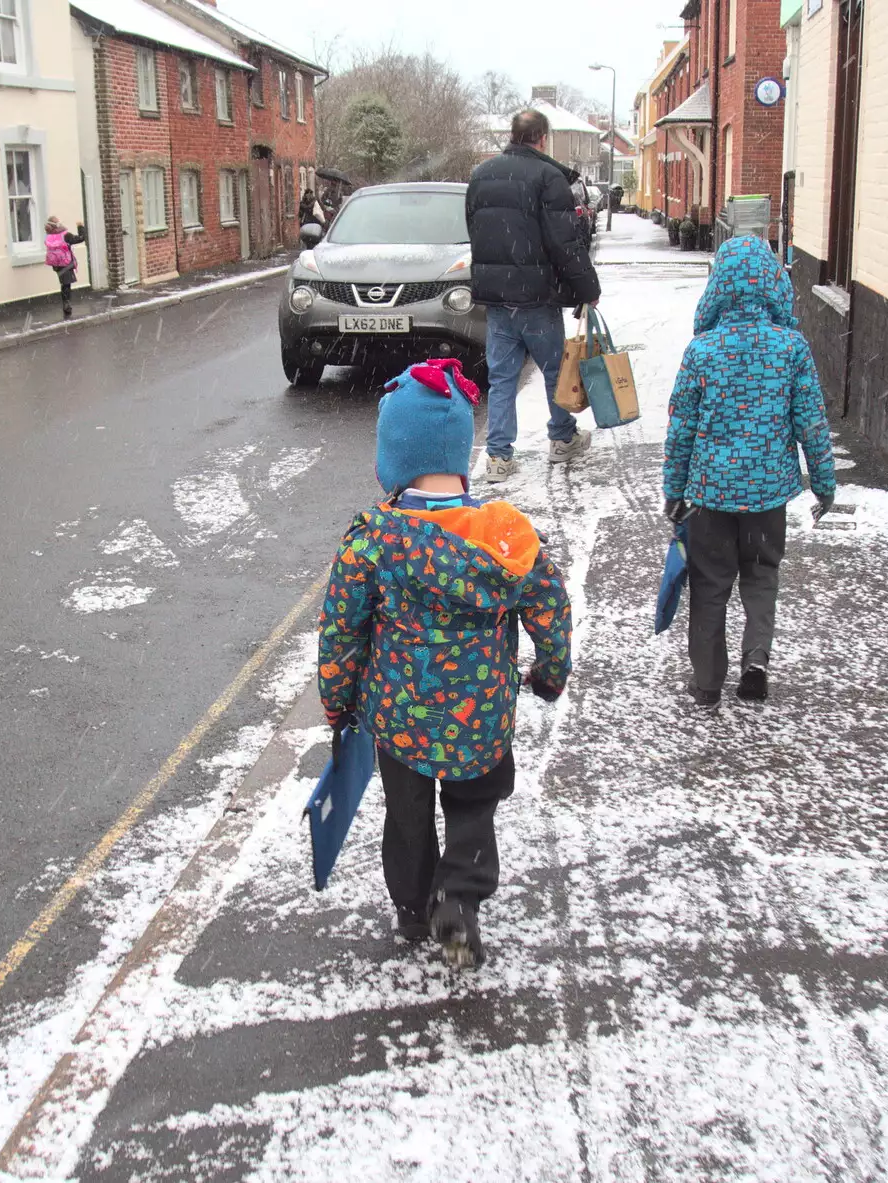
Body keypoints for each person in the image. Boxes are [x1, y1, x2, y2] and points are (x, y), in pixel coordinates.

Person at [318, 357, 572, 969]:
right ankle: (459, 896)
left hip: (398, 718)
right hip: (480, 716)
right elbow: (550, 606)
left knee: (407, 818)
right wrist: (548, 673)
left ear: (393, 460)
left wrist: (337, 699)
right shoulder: (504, 537)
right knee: (472, 807)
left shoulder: (372, 540)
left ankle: (411, 907)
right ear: (461, 453)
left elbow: (341, 630)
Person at [662, 235, 836, 708]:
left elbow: (681, 430)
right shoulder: (791, 349)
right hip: (767, 496)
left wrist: (672, 491)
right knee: (761, 576)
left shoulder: (702, 351)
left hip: (709, 497)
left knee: (710, 584)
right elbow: (812, 423)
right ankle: (756, 660)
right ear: (775, 288)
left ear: (718, 289)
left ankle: (707, 682)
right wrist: (823, 484)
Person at [466, 108, 601, 483]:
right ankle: (561, 438)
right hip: (536, 296)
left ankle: (498, 457)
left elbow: (476, 231)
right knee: (556, 370)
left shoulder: (480, 176)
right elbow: (564, 241)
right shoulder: (547, 176)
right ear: (542, 138)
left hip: (496, 298)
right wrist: (587, 288)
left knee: (502, 376)